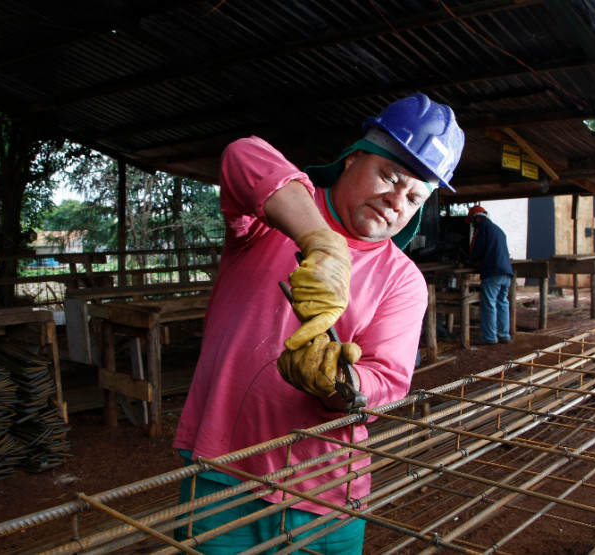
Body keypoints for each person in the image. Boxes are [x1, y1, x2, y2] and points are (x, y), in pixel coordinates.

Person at [171, 93, 464, 553]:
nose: (395, 201)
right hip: (221, 467)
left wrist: (336, 381)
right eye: (390, 176)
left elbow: (386, 380)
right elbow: (242, 154)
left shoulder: (403, 279)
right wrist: (320, 241)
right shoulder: (277, 215)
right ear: (353, 159)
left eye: (414, 197)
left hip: (323, 489)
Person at [467, 205, 513, 345]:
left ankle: (489, 337)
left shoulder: (482, 228)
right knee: (502, 303)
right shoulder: (498, 230)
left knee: (489, 304)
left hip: (492, 272)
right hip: (506, 272)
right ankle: (504, 335)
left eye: (472, 222)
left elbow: (476, 252)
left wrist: (470, 260)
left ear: (477, 218)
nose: (472, 225)